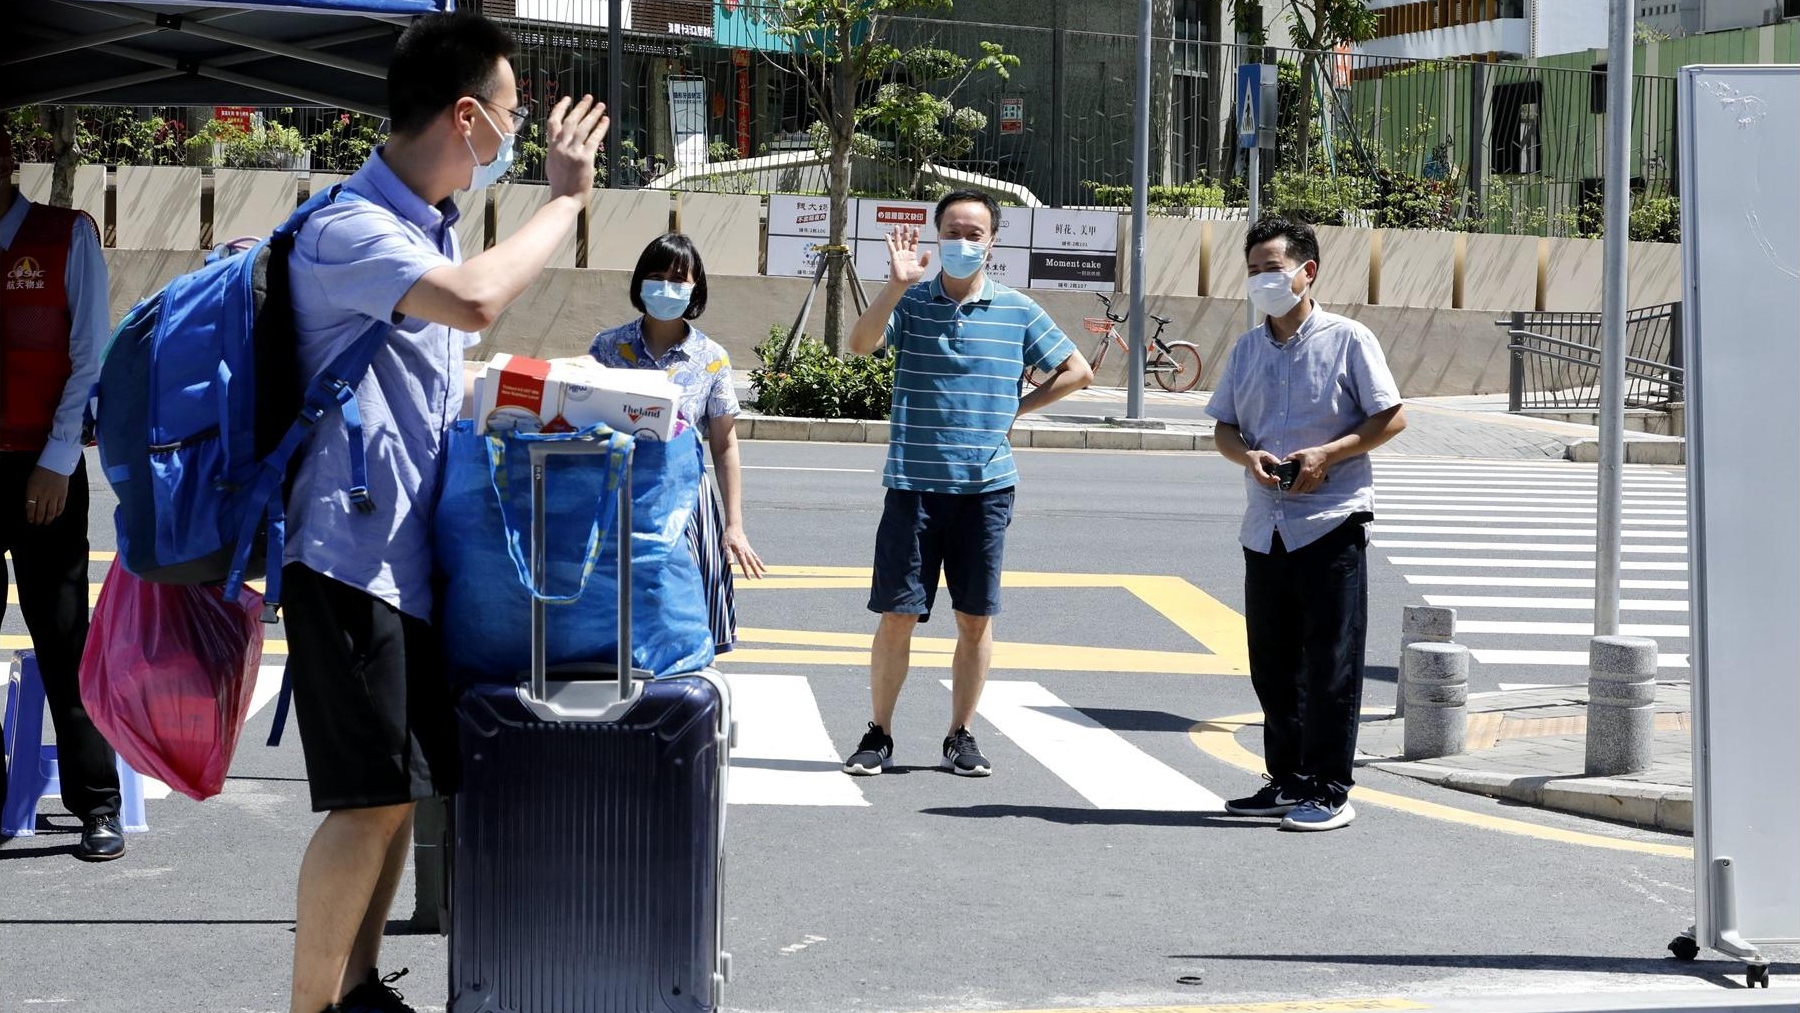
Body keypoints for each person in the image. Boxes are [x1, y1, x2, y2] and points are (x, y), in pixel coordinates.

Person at [278, 14, 609, 1013]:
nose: (517, 133)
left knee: (397, 790)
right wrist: (566, 202)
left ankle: (361, 985)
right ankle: (310, 1004)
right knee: (365, 799)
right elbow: (474, 301)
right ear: (467, 118)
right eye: (509, 114)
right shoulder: (350, 228)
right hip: (346, 556)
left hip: (403, 560)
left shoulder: (424, 226)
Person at [840, 189, 1093, 778]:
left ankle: (961, 733)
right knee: (898, 614)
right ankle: (879, 733)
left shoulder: (1017, 309)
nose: (962, 242)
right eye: (952, 231)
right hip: (913, 485)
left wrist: (1018, 409)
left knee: (975, 618)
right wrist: (896, 284)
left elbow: (1077, 370)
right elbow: (859, 345)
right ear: (936, 235)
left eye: (974, 233)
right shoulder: (911, 301)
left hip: (986, 489)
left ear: (992, 241)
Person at [1208, 216, 1407, 833]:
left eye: (1272, 269)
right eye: (1254, 272)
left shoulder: (1349, 339)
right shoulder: (1246, 349)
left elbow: (1391, 418)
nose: (1262, 281)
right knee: (1273, 663)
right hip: (1264, 525)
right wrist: (1250, 456)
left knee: (1331, 661)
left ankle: (1329, 788)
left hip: (1330, 521)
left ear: (1306, 273)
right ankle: (1286, 779)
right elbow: (1223, 427)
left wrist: (1328, 454)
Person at [0, 129, 123, 862]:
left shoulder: (65, 235)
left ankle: (97, 805)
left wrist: (54, 459)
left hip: (42, 470)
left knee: (63, 637)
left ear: (8, 160)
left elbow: (89, 357)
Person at [590, 232, 766, 652]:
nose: (666, 287)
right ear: (639, 283)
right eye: (655, 276)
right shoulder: (608, 347)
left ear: (695, 288)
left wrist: (734, 526)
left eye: (677, 278)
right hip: (618, 497)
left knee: (686, 610)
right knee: (620, 611)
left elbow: (724, 445)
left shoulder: (711, 357)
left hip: (686, 500)